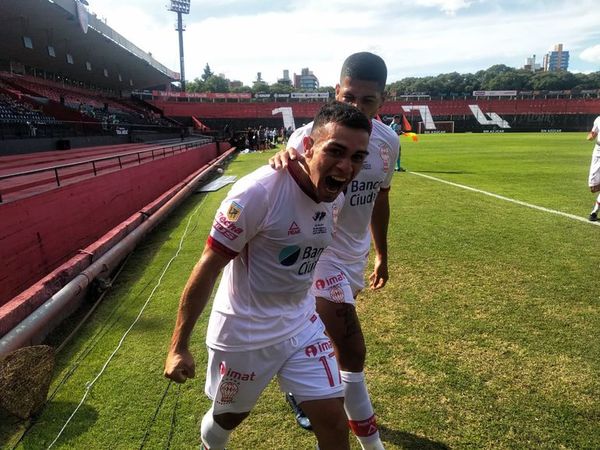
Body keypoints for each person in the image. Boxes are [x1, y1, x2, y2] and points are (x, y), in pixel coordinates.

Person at [164, 101, 372, 450]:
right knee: (228, 418)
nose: (346, 166)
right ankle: (211, 444)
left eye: (357, 157)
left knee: (334, 422)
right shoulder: (257, 193)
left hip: (301, 323)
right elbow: (208, 265)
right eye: (336, 151)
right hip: (245, 331)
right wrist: (178, 346)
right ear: (307, 147)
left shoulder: (335, 194)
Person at [269, 52, 399, 450]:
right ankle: (369, 443)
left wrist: (381, 253)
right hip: (317, 252)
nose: (356, 107)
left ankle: (298, 382)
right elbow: (281, 193)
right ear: (335, 92)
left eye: (367, 101)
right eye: (349, 97)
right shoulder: (308, 136)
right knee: (352, 350)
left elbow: (379, 198)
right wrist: (280, 163)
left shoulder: (387, 144)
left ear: (383, 101)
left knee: (323, 334)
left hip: (353, 256)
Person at [587, 115, 600, 221]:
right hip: (598, 152)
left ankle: (594, 212)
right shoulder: (598, 119)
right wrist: (590, 136)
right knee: (593, 188)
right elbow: (593, 133)